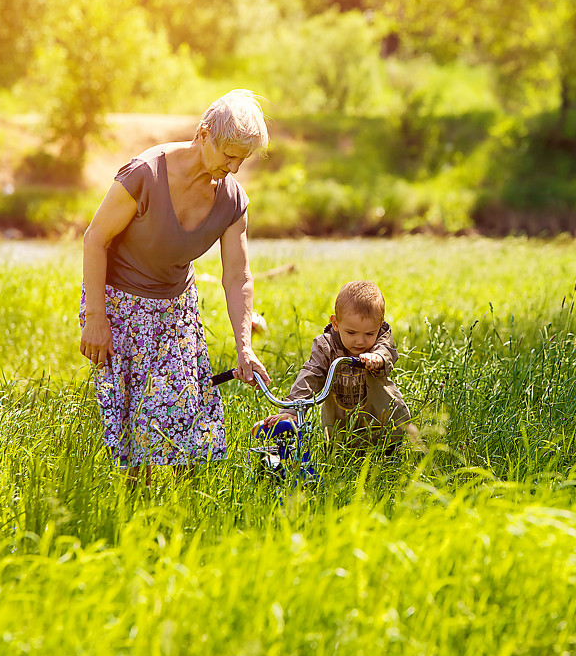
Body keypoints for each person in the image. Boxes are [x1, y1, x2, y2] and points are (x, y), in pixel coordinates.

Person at [78, 89, 272, 479]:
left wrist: (244, 347)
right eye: (229, 155)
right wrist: (96, 318)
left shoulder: (232, 200)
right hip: (120, 305)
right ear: (204, 134)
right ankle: (133, 513)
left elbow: (238, 276)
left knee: (188, 417)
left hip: (176, 310)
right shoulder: (146, 174)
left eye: (242, 159)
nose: (233, 168)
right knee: (136, 431)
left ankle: (185, 515)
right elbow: (95, 239)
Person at [256, 280, 419, 450]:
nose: (360, 340)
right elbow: (311, 374)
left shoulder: (381, 339)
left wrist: (377, 358)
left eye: (369, 333)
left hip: (383, 425)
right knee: (340, 460)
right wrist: (292, 409)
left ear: (379, 324)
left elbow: (386, 351)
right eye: (351, 332)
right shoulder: (326, 346)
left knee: (386, 463)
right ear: (335, 323)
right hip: (341, 430)